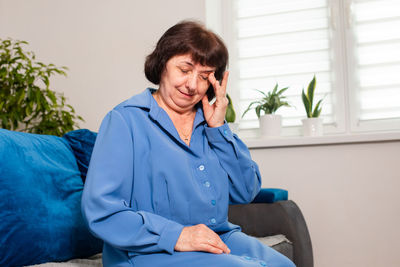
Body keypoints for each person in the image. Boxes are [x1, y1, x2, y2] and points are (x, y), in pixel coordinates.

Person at [81, 20, 295, 267]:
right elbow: (101, 211)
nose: (193, 85)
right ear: (162, 64)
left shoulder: (211, 124)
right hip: (148, 250)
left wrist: (219, 129)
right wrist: (178, 235)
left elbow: (245, 191)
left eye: (204, 77)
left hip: (218, 238)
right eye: (184, 70)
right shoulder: (124, 121)